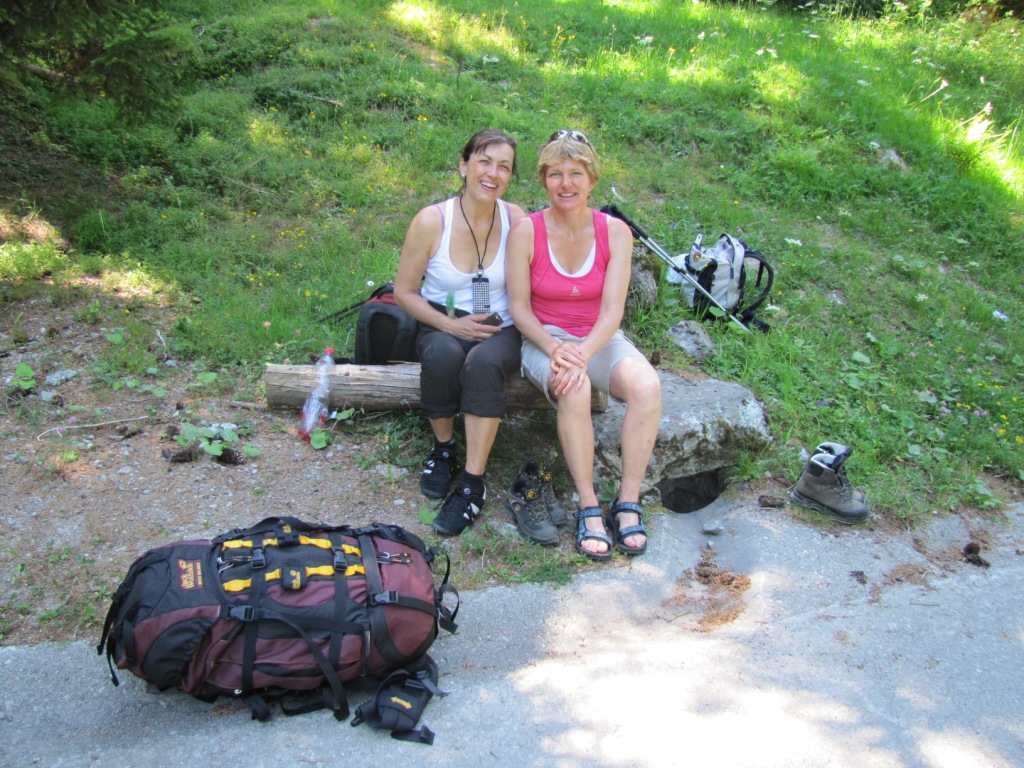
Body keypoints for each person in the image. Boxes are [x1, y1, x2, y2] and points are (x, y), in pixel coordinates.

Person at [506, 129, 661, 560]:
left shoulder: (615, 232)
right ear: (544, 181)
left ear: (592, 179)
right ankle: (589, 505)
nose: (565, 184)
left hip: (599, 336)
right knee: (574, 389)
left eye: (575, 173)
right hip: (545, 337)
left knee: (647, 387)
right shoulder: (526, 231)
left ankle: (627, 502)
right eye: (555, 174)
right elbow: (519, 308)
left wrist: (584, 353)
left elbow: (613, 312)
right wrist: (556, 350)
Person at [394, 129, 526, 536]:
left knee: (484, 364)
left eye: (504, 166)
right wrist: (450, 324)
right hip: (442, 318)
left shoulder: (517, 219)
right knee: (444, 355)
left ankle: (472, 484)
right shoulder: (433, 220)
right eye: (484, 161)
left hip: (499, 323)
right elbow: (404, 292)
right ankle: (444, 447)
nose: (493, 173)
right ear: (464, 165)